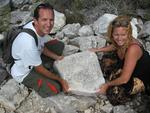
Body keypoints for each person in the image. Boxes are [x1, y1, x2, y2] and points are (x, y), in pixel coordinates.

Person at [11, 3, 69, 97]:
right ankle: (46, 70)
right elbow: (40, 69)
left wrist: (57, 57)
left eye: (51, 20)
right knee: (55, 88)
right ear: (36, 20)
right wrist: (60, 80)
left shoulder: (35, 26)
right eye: (44, 20)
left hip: (33, 56)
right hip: (24, 72)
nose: (49, 24)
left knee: (59, 46)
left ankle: (47, 65)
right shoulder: (28, 43)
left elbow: (41, 45)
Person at [90, 16, 150, 98]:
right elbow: (115, 45)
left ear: (128, 34)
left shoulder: (133, 49)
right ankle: (113, 77)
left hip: (140, 77)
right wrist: (98, 50)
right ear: (112, 33)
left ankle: (139, 93)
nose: (119, 38)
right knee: (105, 61)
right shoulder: (120, 42)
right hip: (129, 69)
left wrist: (107, 85)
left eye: (123, 35)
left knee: (115, 94)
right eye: (116, 35)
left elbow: (125, 79)